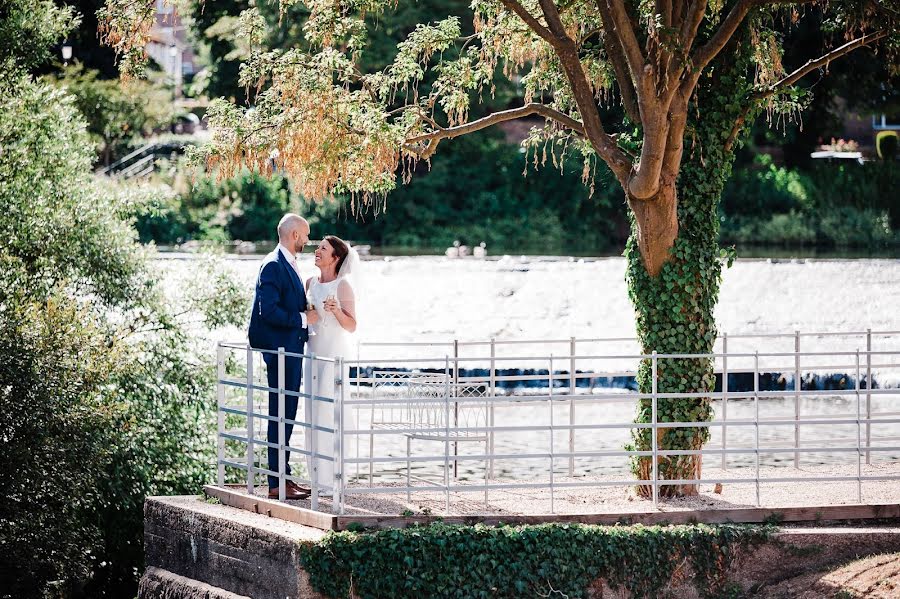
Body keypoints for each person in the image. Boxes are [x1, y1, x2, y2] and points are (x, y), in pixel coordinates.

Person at [247, 214, 319, 500]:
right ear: (294, 236)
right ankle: (277, 483)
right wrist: (304, 317)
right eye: (305, 235)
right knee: (281, 413)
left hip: (289, 348)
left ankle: (283, 478)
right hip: (279, 349)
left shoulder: (285, 263)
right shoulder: (274, 265)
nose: (307, 240)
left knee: (286, 413)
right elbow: (269, 311)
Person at [304, 235, 359, 494]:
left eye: (322, 249)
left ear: (335, 258)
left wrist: (336, 310)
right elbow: (308, 317)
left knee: (331, 416)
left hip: (334, 355)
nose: (317, 251)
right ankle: (316, 478)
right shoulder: (309, 282)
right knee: (313, 414)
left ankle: (334, 478)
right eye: (318, 248)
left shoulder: (343, 286)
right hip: (313, 354)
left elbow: (352, 326)